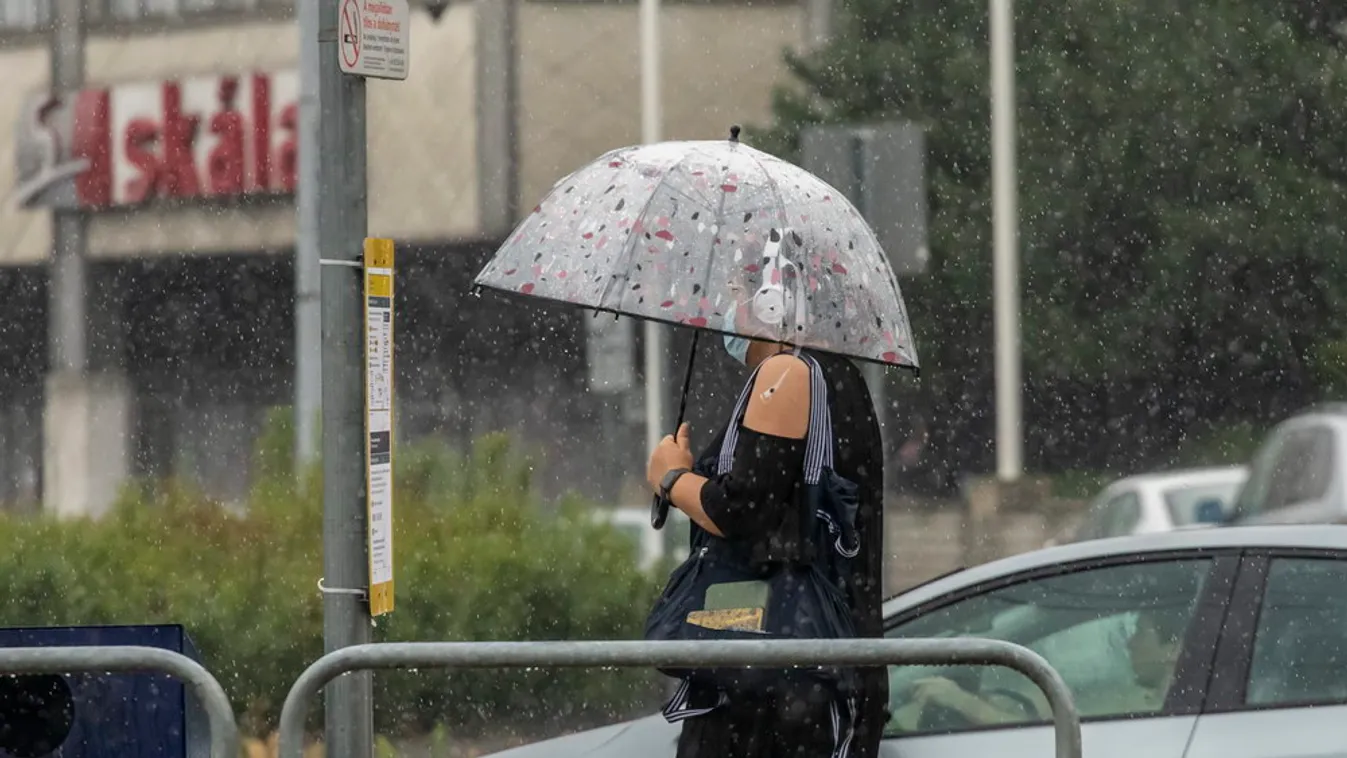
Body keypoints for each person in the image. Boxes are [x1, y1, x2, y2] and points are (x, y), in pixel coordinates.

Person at [644, 270, 888, 758]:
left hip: (777, 678)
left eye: (737, 293)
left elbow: (741, 511)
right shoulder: (840, 379)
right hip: (829, 666)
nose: (727, 310)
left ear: (773, 301)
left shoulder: (787, 374)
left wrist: (671, 478)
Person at [890, 607, 1188, 730]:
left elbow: (1060, 747)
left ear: (1173, 648)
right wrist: (1010, 709)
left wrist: (962, 702)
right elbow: (1061, 730)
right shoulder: (1154, 703)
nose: (1131, 644)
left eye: (1141, 632)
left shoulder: (1163, 716)